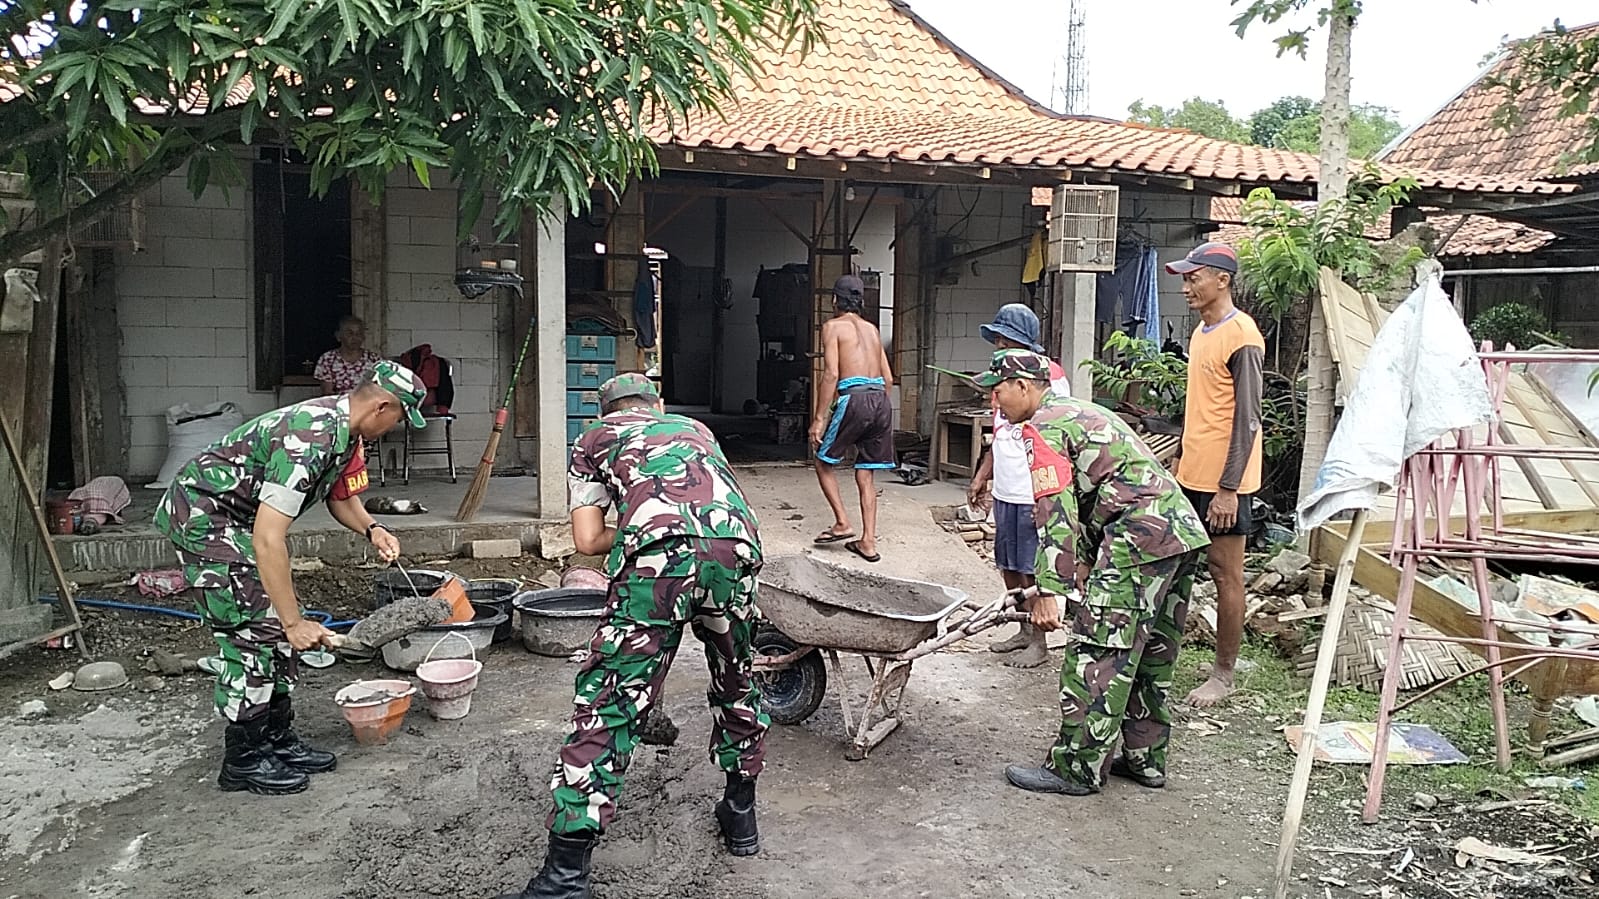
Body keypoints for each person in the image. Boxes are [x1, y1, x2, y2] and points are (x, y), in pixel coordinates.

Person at [504, 373, 767, 899]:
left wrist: (635, 529)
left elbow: (585, 539)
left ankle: (565, 876)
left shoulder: (594, 439)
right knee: (737, 681)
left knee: (609, 703)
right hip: (735, 549)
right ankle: (741, 818)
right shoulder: (693, 427)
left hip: (656, 564)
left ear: (606, 413)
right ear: (658, 405)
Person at [153, 361, 427, 795]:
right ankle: (243, 758)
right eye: (398, 418)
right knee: (254, 632)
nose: (396, 427)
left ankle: (275, 740)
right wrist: (294, 620)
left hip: (239, 524)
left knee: (275, 631)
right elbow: (267, 539)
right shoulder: (312, 435)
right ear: (381, 406)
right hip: (208, 520)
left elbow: (341, 497)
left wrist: (373, 529)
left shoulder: (345, 432)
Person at [966, 350, 1209, 797]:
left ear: (1023, 386)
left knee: (1098, 650)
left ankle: (1075, 768)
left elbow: (1054, 513)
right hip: (1177, 532)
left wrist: (1046, 592)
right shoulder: (1082, 409)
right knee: (1150, 654)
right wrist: (1083, 564)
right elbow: (1095, 494)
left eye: (998, 390)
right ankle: (1144, 759)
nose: (994, 402)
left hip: (1135, 539)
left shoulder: (1043, 428)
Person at [1164, 242, 1264, 709]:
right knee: (1180, 565)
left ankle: (1223, 674)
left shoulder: (1242, 335)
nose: (1186, 286)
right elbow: (1201, 410)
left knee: (1226, 573)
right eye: (1185, 279)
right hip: (1193, 473)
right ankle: (1167, 649)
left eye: (1193, 277)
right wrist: (1179, 458)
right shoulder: (1202, 333)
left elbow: (1247, 418)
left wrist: (1228, 489)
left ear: (1221, 280)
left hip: (1227, 483)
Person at [966, 303, 1070, 669]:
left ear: (1019, 341)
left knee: (1031, 566)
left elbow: (1052, 440)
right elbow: (999, 435)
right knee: (1007, 563)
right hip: (1006, 487)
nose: (996, 345)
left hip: (1031, 488)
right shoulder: (1003, 378)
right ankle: (1022, 628)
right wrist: (983, 475)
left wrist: (1043, 497)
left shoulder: (1049, 378)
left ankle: (1039, 640)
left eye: (1001, 338)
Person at [810, 274, 895, 564]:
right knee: (866, 470)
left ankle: (842, 522)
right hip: (880, 400)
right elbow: (889, 378)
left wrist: (820, 417)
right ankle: (868, 542)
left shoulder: (832, 327)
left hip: (854, 397)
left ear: (835, 300)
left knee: (822, 460)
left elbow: (831, 374)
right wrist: (877, 407)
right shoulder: (872, 329)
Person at [313, 315, 384, 395]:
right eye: (350, 333)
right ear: (338, 336)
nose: (355, 337)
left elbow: (380, 391)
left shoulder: (374, 360)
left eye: (359, 333)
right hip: (338, 405)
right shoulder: (328, 359)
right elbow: (328, 393)